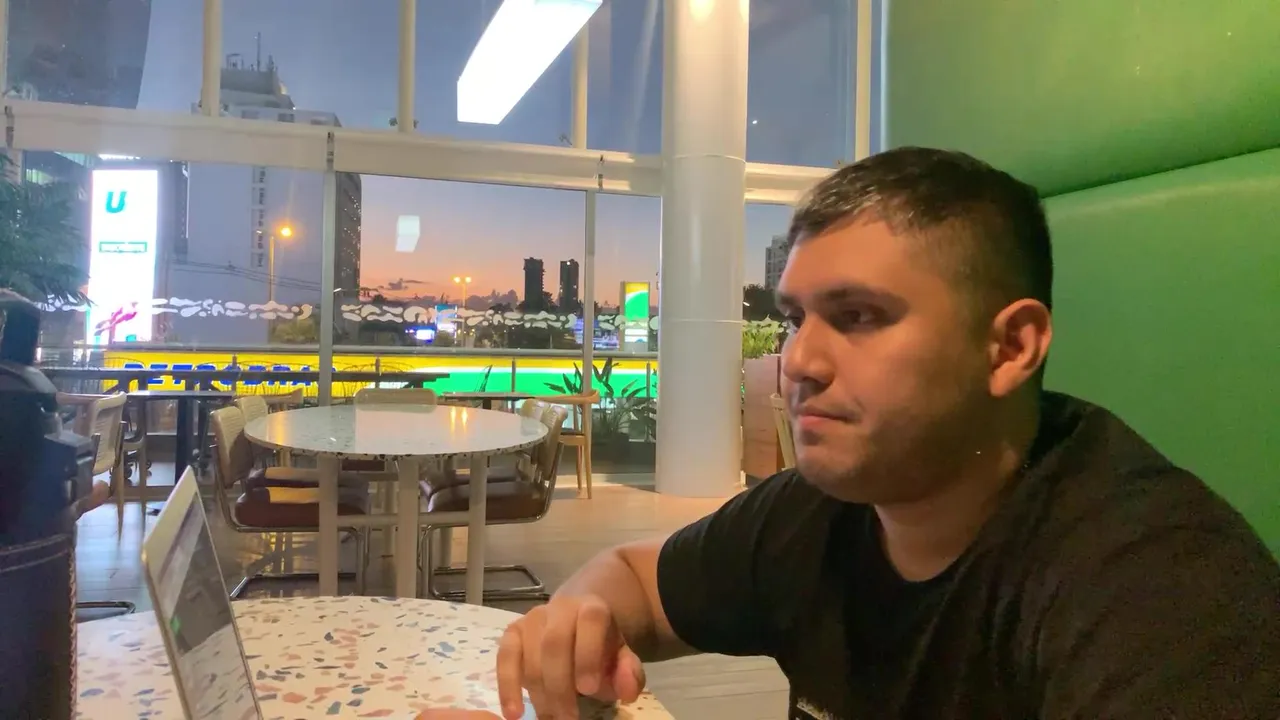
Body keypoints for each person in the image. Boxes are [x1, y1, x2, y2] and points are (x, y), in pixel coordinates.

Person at [491, 147, 1280, 720]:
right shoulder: (817, 510)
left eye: (859, 316)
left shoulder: (1159, 592)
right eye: (796, 319)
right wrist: (577, 623)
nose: (799, 362)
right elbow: (633, 577)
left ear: (1009, 348)